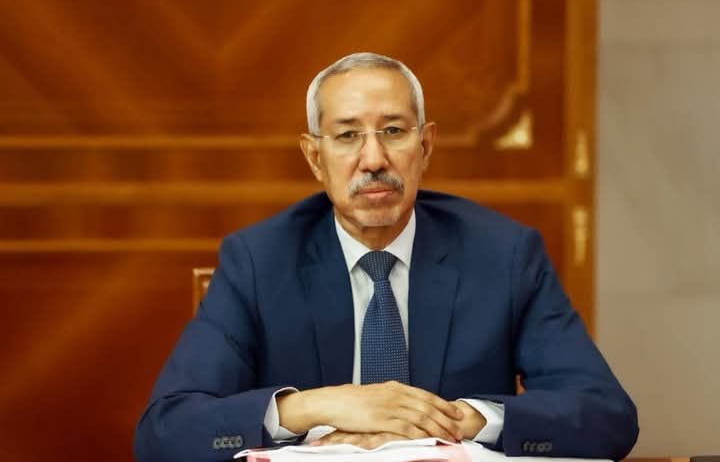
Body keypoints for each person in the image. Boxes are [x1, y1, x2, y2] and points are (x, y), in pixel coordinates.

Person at [134, 53, 638, 462]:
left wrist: (459, 420)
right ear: (314, 157)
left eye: (394, 131)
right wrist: (316, 406)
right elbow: (165, 431)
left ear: (426, 145)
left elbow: (607, 416)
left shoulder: (503, 255)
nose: (373, 159)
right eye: (347, 135)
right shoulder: (258, 261)